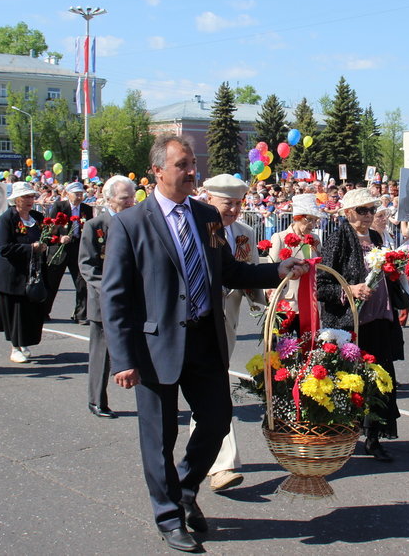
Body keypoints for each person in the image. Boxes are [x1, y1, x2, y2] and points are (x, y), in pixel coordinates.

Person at [100, 135, 307, 553]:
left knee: (215, 421)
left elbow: (228, 269)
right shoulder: (129, 224)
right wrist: (122, 358)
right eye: (183, 165)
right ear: (158, 170)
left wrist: (278, 269)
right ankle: (168, 516)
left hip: (204, 338)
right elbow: (115, 296)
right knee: (159, 436)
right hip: (155, 346)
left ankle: (185, 488)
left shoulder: (206, 216)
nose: (193, 171)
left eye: (193, 163)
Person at [318, 187, 402, 461]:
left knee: (379, 378)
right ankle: (344, 434)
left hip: (379, 318)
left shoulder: (377, 236)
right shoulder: (338, 238)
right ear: (347, 213)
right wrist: (349, 290)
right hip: (351, 323)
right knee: (352, 381)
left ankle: (374, 437)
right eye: (362, 210)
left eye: (371, 210)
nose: (368, 216)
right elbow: (321, 285)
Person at [200, 173, 267, 492]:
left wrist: (264, 308)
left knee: (211, 387)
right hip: (198, 320)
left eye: (239, 203)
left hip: (229, 321)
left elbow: (249, 273)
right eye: (228, 203)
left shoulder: (244, 233)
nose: (234, 210)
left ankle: (207, 458)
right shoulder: (198, 228)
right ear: (208, 199)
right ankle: (221, 464)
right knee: (212, 388)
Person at [79, 175, 136, 419]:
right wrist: (111, 290)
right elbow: (87, 266)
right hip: (105, 301)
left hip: (135, 299)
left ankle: (151, 403)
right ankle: (96, 400)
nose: (131, 202)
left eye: (133, 197)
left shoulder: (136, 223)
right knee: (101, 354)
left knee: (141, 352)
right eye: (125, 198)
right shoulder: (95, 226)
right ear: (109, 199)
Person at [0, 181, 49, 364]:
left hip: (31, 272)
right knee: (14, 312)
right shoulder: (7, 218)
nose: (30, 200)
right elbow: (4, 248)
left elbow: (46, 236)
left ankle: (24, 342)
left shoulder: (37, 217)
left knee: (29, 310)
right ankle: (15, 347)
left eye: (31, 196)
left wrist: (53, 239)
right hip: (11, 275)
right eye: (25, 197)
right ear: (16, 199)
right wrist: (31, 248)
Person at [45, 182, 93, 323]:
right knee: (52, 282)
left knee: (82, 282)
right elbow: (50, 228)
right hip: (60, 248)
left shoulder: (86, 209)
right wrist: (60, 238)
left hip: (78, 248)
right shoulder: (59, 207)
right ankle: (44, 311)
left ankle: (81, 314)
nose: (79, 197)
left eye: (81, 194)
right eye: (76, 194)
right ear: (68, 194)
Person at [267, 193, 323, 313]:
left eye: (315, 220)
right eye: (309, 219)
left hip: (310, 301)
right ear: (297, 217)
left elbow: (321, 267)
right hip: (288, 303)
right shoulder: (280, 237)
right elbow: (271, 270)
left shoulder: (315, 239)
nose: (312, 225)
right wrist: (272, 293)